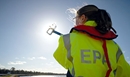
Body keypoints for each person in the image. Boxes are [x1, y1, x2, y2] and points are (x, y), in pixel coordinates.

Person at [53, 4, 130, 77]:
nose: (74, 22)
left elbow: (64, 62)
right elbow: (125, 72)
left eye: (75, 18)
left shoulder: (67, 39)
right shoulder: (114, 46)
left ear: (82, 18)